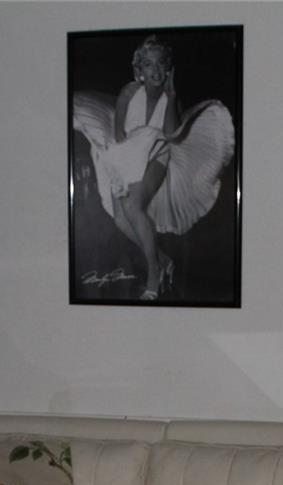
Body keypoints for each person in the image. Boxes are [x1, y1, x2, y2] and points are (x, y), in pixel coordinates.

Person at [73, 36, 235, 300]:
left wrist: (171, 97)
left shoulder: (172, 99)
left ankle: (153, 273)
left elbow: (171, 135)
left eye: (160, 63)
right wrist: (126, 161)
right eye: (148, 64)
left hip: (158, 155)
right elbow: (119, 134)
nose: (155, 70)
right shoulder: (129, 93)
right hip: (126, 154)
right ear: (139, 70)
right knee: (120, 219)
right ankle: (162, 260)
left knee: (133, 206)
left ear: (169, 68)